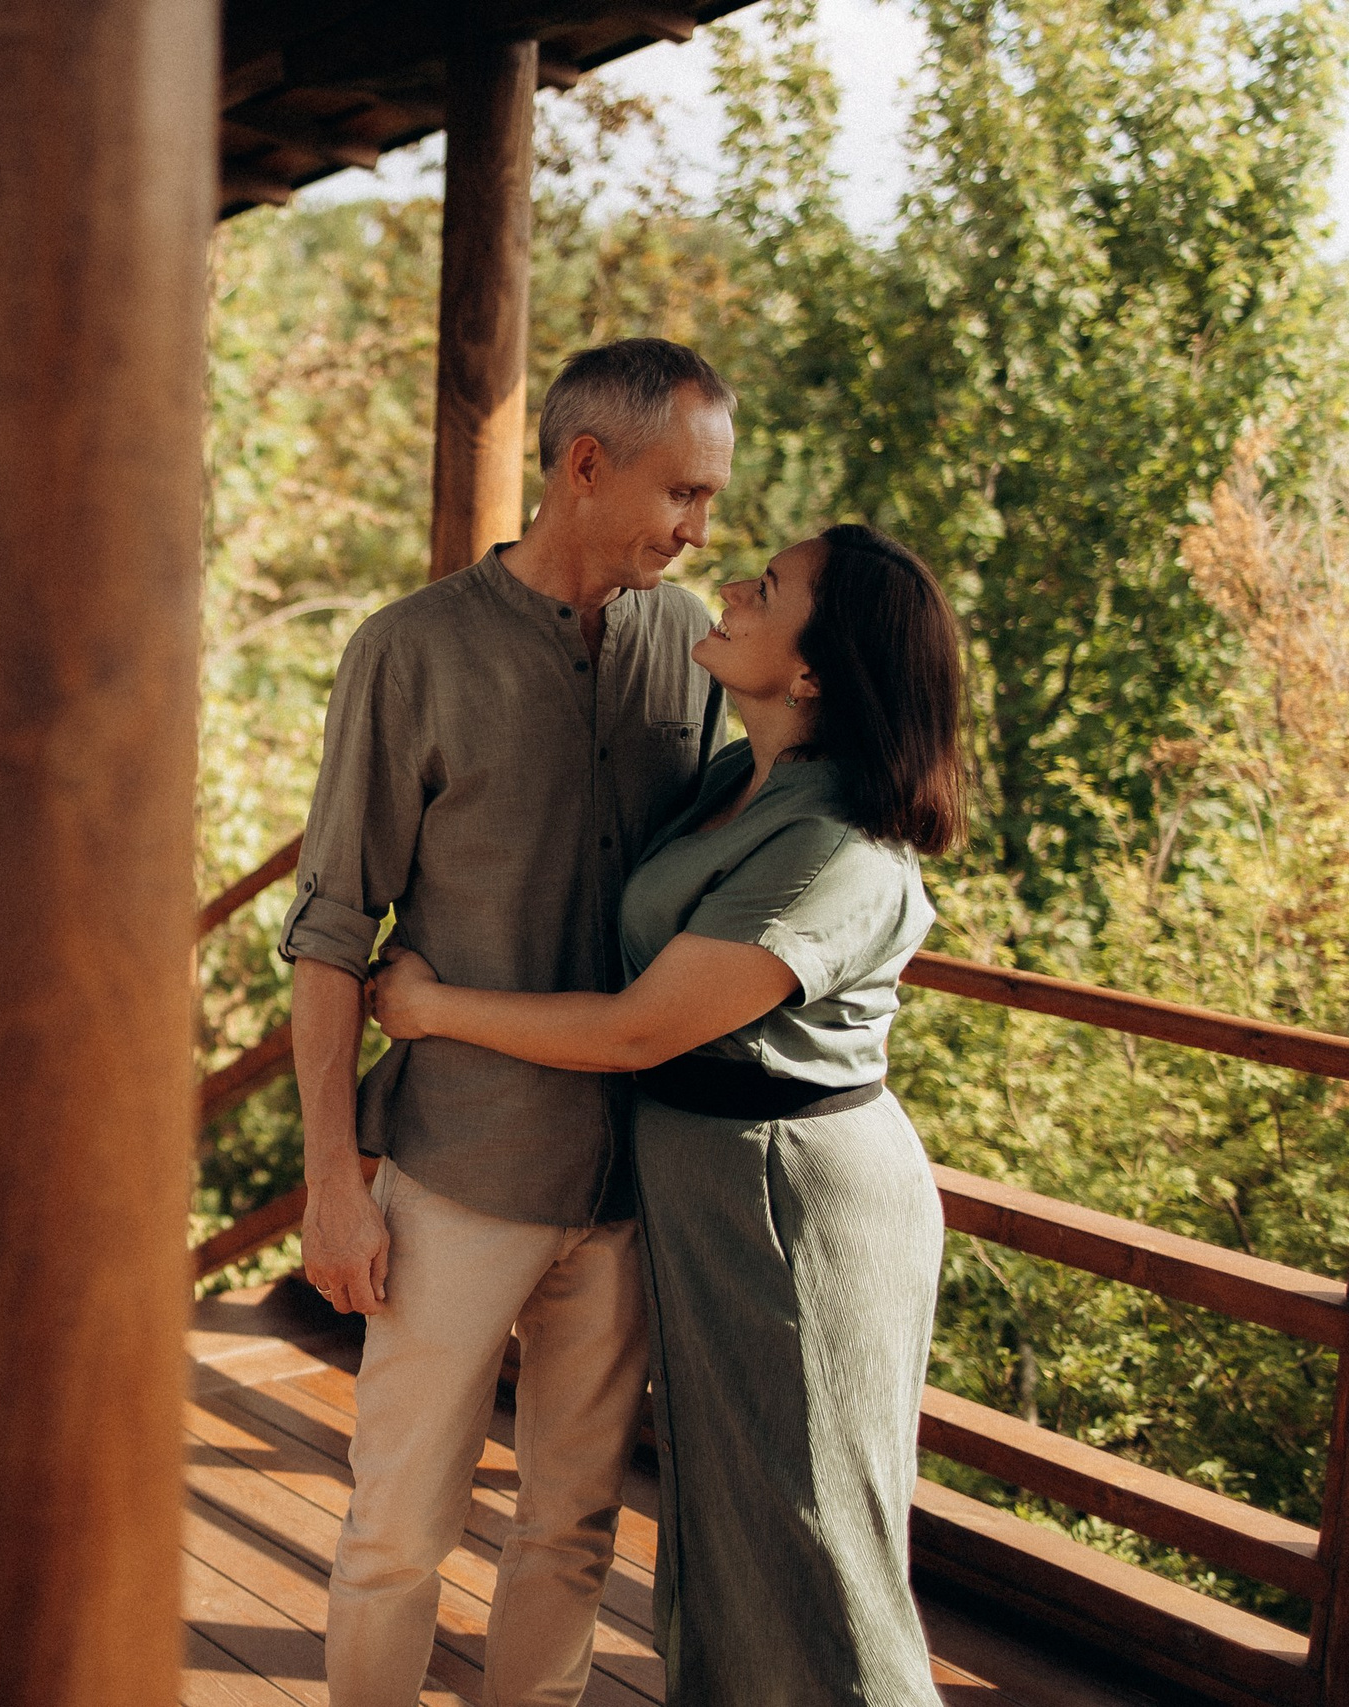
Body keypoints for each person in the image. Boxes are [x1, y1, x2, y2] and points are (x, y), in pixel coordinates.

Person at [369, 523, 968, 1707]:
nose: (736, 583)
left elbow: (640, 1029)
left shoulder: (833, 845)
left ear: (811, 670)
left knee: (817, 1538)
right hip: (708, 1194)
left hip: (798, 1204)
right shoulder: (735, 779)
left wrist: (432, 1007)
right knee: (726, 1533)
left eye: (773, 586)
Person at [282, 338, 733, 1707]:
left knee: (573, 1531)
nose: (699, 526)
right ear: (583, 466)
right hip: (460, 1179)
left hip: (627, 1180)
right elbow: (329, 927)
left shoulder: (691, 637)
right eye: (683, 492)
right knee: (395, 1535)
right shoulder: (409, 651)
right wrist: (327, 1181)